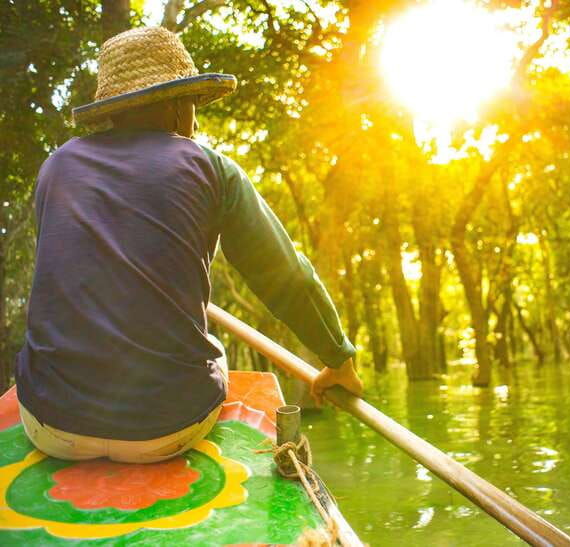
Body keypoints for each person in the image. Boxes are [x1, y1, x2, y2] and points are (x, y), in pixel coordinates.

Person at [15, 27, 362, 464]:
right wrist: (339, 358)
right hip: (166, 429)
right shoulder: (212, 168)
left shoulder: (56, 166)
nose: (194, 122)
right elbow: (286, 276)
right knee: (211, 350)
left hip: (52, 422)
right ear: (180, 107)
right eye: (194, 106)